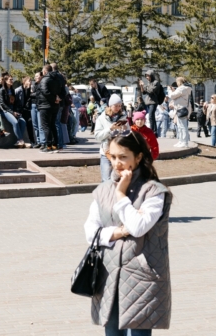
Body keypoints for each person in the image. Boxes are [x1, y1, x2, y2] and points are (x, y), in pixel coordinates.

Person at [83, 126, 171, 334]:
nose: (116, 163)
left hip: (142, 275)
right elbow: (90, 232)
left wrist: (122, 196)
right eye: (112, 157)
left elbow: (138, 227)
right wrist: (120, 233)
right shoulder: (103, 191)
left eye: (123, 157)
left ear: (138, 157)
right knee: (112, 332)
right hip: (108, 273)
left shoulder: (153, 191)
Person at [94, 94, 127, 182]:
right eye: (115, 105)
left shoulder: (123, 117)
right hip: (106, 152)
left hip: (120, 152)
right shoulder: (101, 118)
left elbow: (128, 135)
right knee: (107, 179)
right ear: (110, 105)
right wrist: (110, 129)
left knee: (118, 179)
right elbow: (97, 136)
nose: (118, 108)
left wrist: (125, 130)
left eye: (119, 106)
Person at [38, 65, 63, 153]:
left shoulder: (45, 79)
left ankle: (48, 146)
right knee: (52, 125)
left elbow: (45, 91)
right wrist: (58, 98)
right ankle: (55, 145)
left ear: (45, 71)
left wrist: (54, 98)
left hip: (45, 105)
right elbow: (63, 90)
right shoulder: (58, 79)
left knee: (46, 126)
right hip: (55, 105)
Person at [166, 78, 192, 149]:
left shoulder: (182, 89)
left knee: (183, 127)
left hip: (181, 108)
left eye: (177, 81)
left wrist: (169, 90)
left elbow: (172, 96)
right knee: (180, 127)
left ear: (180, 82)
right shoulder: (183, 88)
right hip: (179, 108)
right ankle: (181, 141)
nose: (176, 83)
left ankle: (184, 142)